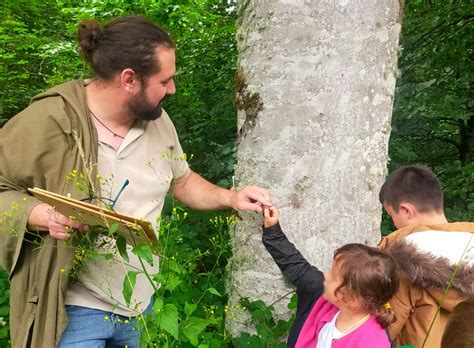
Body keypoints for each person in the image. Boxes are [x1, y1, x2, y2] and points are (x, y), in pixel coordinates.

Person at [0, 16, 272, 348]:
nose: (172, 89)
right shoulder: (51, 120)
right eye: (165, 80)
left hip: (140, 307)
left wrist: (231, 197)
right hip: (72, 310)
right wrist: (42, 214)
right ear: (129, 79)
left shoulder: (157, 122)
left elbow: (182, 182)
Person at [262, 206, 399, 347]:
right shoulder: (318, 293)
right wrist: (272, 230)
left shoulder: (373, 343)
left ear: (350, 299)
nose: (326, 276)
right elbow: (297, 266)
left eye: (333, 276)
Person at [378, 164, 474, 348]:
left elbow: (381, 333)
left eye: (392, 215)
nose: (394, 222)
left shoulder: (403, 262)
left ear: (406, 210)